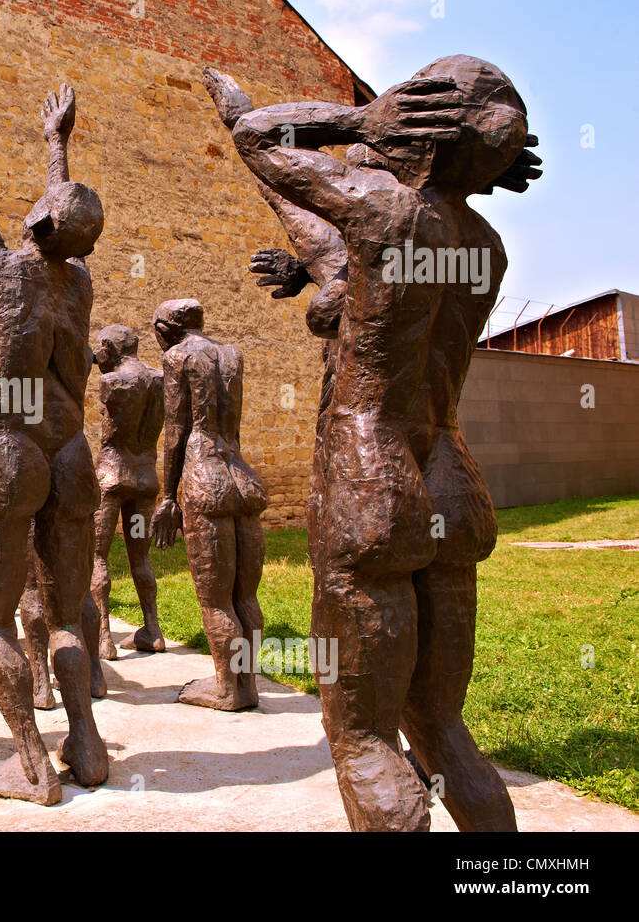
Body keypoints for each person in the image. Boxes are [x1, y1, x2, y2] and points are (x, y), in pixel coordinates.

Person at [212, 56, 540, 830]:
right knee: (443, 726)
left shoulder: (388, 211)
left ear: (422, 131)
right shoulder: (486, 247)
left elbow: (260, 141)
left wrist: (361, 119)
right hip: (451, 480)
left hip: (372, 470)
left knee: (361, 735)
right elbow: (327, 242)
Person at [0, 41, 107, 804]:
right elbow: (59, 221)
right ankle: (86, 739)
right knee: (69, 607)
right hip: (71, 445)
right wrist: (55, 144)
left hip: (11, 447)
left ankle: (34, 764)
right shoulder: (80, 285)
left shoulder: (2, 270)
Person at [151, 300, 267, 711]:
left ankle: (226, 690)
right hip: (243, 475)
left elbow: (175, 430)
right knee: (245, 597)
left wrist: (168, 496)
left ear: (168, 328)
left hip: (205, 476)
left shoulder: (177, 356)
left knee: (216, 599)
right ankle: (248, 685)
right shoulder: (231, 353)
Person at [90, 324, 165, 656]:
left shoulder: (113, 381)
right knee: (140, 555)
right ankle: (153, 628)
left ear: (108, 347)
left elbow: (110, 434)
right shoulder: (160, 378)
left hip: (113, 477)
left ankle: (103, 636)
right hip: (145, 480)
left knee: (97, 555)